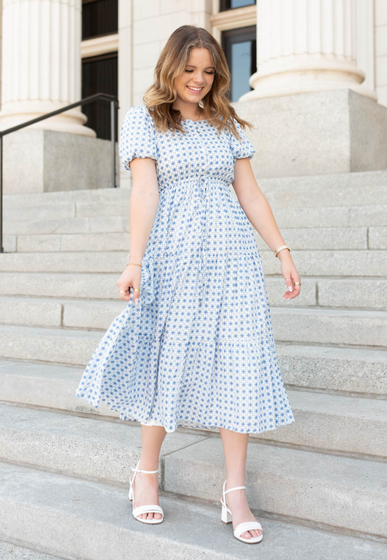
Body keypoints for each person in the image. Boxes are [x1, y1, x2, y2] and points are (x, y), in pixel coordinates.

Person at [75, 25, 301, 545]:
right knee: (166, 358)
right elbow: (144, 193)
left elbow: (251, 194)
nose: (199, 79)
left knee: (240, 362)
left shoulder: (227, 123)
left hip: (233, 260)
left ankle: (235, 491)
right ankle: (147, 474)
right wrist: (134, 262)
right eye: (190, 68)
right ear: (170, 66)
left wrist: (282, 251)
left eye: (208, 71)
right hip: (173, 255)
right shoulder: (146, 120)